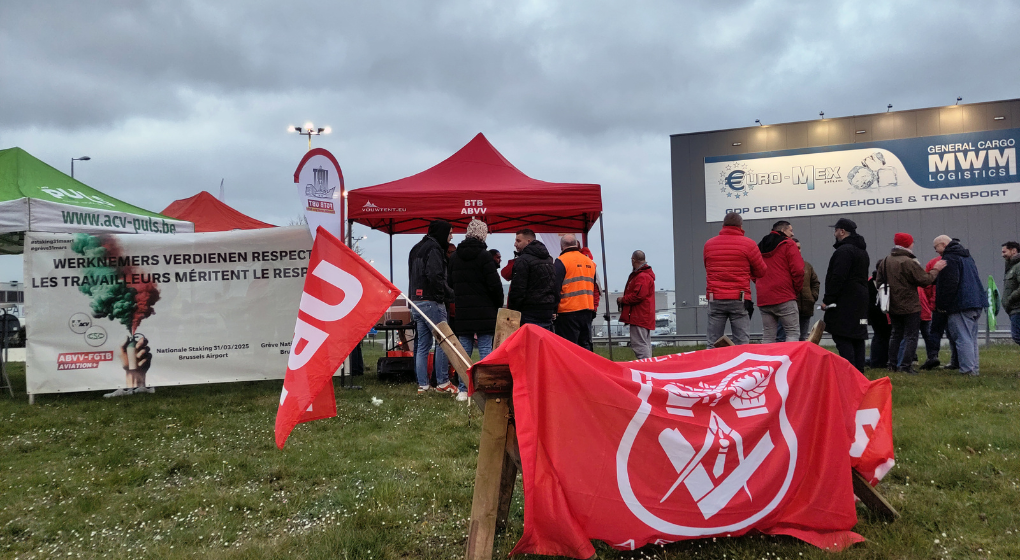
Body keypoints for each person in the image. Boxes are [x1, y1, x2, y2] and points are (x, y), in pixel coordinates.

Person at [449, 219, 504, 401]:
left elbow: (450, 282)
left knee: (464, 349)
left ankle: (463, 389)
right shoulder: (485, 256)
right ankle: (487, 386)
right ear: (483, 234)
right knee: (485, 348)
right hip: (484, 310)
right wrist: (497, 303)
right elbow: (495, 285)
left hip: (463, 310)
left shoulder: (455, 256)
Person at [877, 233, 946, 373]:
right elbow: (925, 280)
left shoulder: (885, 261)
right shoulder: (908, 262)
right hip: (910, 305)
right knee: (911, 336)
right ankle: (905, 366)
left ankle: (892, 364)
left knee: (896, 335)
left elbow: (879, 282)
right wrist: (936, 269)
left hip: (892, 305)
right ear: (907, 244)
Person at [408, 219, 458, 395]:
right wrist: (447, 295)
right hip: (431, 301)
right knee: (443, 342)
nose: (451, 236)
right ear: (443, 232)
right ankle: (443, 382)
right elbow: (435, 276)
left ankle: (423, 385)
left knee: (422, 344)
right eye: (450, 232)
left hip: (416, 301)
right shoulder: (435, 249)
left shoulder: (416, 248)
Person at [702, 212, 767, 347]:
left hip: (715, 297)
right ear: (740, 226)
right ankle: (740, 366)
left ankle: (712, 366)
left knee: (712, 343)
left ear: (723, 225)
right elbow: (761, 271)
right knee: (741, 342)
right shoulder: (749, 244)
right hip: (739, 297)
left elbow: (707, 267)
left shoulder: (709, 244)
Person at [821, 218, 870, 372]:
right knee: (858, 336)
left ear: (842, 231)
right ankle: (859, 373)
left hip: (846, 301)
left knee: (842, 335)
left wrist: (827, 300)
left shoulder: (843, 251)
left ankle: (849, 373)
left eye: (835, 230)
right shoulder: (862, 251)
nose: (834, 233)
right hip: (861, 301)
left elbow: (837, 277)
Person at [933, 235, 987, 376]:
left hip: (960, 304)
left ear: (943, 245)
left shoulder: (949, 259)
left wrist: (943, 305)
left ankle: (967, 370)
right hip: (976, 302)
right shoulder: (967, 257)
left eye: (936, 247)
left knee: (962, 338)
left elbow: (950, 284)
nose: (936, 251)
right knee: (971, 338)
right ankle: (974, 369)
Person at [756, 221, 804, 343]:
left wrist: (761, 284)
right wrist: (796, 289)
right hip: (785, 295)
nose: (792, 234)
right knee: (792, 332)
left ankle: (767, 362)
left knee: (768, 335)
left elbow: (752, 270)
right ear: (783, 231)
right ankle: (789, 361)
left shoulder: (759, 247)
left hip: (764, 298)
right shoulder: (788, 244)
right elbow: (798, 270)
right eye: (790, 230)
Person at [507, 228, 558, 329]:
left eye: (518, 240)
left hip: (529, 310)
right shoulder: (549, 259)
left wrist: (512, 311)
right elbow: (554, 285)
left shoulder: (523, 260)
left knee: (529, 342)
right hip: (547, 310)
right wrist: (554, 308)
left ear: (528, 241)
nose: (515, 244)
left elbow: (518, 289)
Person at [553, 234, 597, 350]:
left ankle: (571, 369)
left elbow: (555, 287)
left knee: (569, 348)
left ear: (561, 246)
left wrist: (553, 309)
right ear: (576, 244)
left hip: (568, 311)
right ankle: (587, 367)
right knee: (585, 345)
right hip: (587, 310)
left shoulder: (561, 261)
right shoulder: (590, 262)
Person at [778, 239, 820, 341]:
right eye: (795, 248)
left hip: (806, 308)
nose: (798, 250)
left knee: (802, 338)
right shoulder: (782, 266)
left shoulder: (807, 266)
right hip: (788, 308)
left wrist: (812, 297)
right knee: (782, 337)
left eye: (799, 248)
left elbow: (815, 282)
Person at [618, 250, 655, 359]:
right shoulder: (646, 275)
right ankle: (649, 366)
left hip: (639, 315)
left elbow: (638, 296)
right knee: (644, 343)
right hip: (644, 315)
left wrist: (623, 300)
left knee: (639, 344)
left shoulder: (642, 276)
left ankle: (645, 367)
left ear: (634, 260)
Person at [1002, 241, 1020, 346]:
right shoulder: (1011, 267)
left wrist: (1010, 299)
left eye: (1004, 251)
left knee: (1017, 335)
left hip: (1017, 308)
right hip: (1013, 309)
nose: (1002, 254)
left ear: (1014, 251)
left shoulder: (1018, 266)